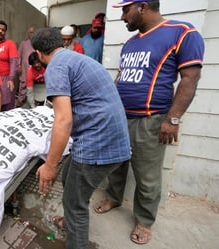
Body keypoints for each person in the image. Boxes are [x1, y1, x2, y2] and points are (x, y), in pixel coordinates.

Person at [93, 0, 204, 245]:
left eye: (125, 10)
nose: (122, 17)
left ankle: (144, 219)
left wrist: (173, 119)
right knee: (116, 164)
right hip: (120, 118)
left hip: (151, 120)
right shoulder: (131, 43)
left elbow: (190, 79)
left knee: (147, 176)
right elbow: (122, 77)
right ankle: (114, 197)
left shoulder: (182, 32)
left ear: (142, 7)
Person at [31, 27, 131, 249]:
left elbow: (63, 120)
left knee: (75, 203)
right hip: (114, 140)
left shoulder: (55, 67)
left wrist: (49, 164)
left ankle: (75, 233)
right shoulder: (77, 59)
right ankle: (69, 222)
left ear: (38, 53)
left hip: (97, 144)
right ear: (62, 43)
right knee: (69, 174)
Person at [17, 26, 35, 106]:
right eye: (31, 32)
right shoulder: (23, 43)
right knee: (23, 85)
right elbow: (19, 55)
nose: (32, 34)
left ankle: (31, 102)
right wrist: (19, 65)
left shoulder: (37, 43)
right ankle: (20, 102)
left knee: (32, 86)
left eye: (33, 32)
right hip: (24, 69)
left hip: (34, 69)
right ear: (28, 33)